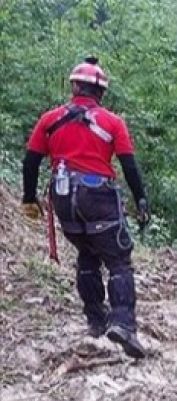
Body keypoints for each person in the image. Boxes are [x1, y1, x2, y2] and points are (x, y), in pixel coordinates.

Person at [20, 57, 150, 358]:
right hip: (98, 195)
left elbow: (30, 161)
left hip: (63, 197)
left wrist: (29, 197)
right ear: (100, 92)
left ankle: (96, 320)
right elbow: (129, 165)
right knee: (118, 261)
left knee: (87, 253)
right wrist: (141, 199)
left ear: (74, 86)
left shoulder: (49, 119)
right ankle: (123, 324)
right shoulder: (112, 122)